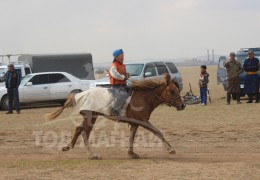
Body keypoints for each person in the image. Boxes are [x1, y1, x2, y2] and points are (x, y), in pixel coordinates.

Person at [109, 49, 130, 116]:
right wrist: (124, 77)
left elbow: (124, 74)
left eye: (123, 56)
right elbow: (115, 75)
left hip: (123, 85)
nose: (123, 57)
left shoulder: (123, 65)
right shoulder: (113, 65)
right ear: (116, 57)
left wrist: (127, 75)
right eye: (121, 56)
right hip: (115, 86)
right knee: (123, 95)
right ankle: (114, 110)